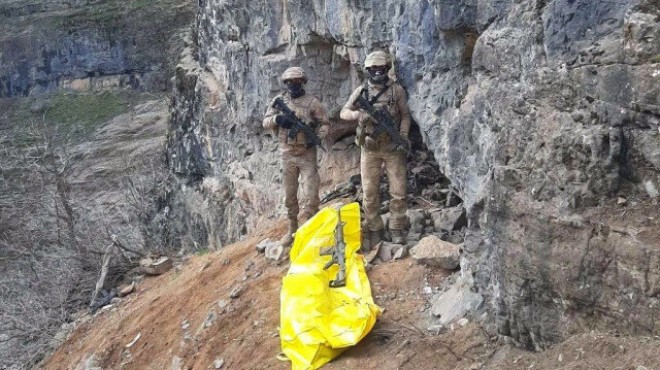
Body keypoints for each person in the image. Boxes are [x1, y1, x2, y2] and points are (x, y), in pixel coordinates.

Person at [340, 50, 411, 246]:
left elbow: (405, 115)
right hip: (369, 150)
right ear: (368, 70)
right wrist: (358, 116)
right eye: (373, 69)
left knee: (399, 191)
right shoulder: (362, 91)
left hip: (392, 148)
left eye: (381, 69)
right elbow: (343, 112)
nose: (377, 73)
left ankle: (397, 227)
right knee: (370, 193)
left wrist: (403, 136)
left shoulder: (396, 91)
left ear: (387, 69)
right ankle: (374, 229)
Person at [263, 67, 330, 247]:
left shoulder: (313, 103)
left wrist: (315, 138)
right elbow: (265, 121)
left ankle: (311, 229)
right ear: (285, 83)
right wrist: (278, 120)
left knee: (312, 195)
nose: (294, 84)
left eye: (297, 81)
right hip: (287, 154)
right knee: (289, 195)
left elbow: (324, 124)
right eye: (290, 82)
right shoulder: (278, 101)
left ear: (303, 82)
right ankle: (292, 229)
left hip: (307, 154)